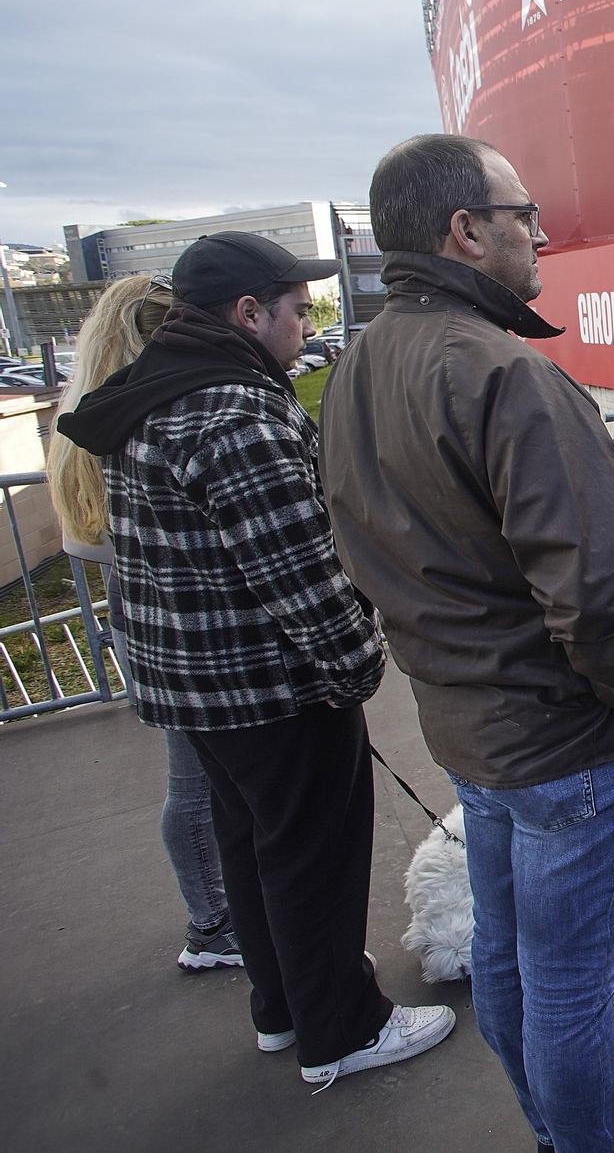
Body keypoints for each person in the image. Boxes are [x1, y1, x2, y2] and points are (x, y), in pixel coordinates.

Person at [320, 136, 614, 1153]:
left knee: (513, 963)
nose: (538, 229)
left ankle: (567, 1104)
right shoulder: (506, 375)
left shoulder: (362, 361)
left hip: (473, 729)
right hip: (566, 743)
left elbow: (370, 548)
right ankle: (595, 1133)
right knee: (565, 981)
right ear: (464, 230)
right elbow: (597, 598)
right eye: (521, 211)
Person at [55, 232, 446, 1087]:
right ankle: (343, 1029)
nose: (307, 328)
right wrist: (355, 668)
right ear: (247, 312)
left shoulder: (152, 393)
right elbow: (298, 573)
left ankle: (282, 1008)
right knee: (313, 855)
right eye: (298, 311)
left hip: (191, 685)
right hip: (267, 687)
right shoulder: (235, 412)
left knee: (255, 847)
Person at [48, 274, 243, 972]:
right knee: (197, 781)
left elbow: (82, 536)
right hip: (174, 620)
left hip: (139, 617)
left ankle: (216, 915)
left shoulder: (86, 417)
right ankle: (212, 924)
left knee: (200, 777)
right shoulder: (134, 417)